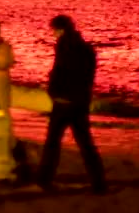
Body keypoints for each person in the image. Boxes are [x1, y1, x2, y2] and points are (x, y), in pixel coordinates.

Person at [37, 15, 106, 194]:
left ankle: (45, 179)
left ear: (60, 29)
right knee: (85, 143)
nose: (53, 34)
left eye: (54, 30)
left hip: (64, 101)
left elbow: (60, 72)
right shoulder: (87, 49)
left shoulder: (64, 46)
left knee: (52, 142)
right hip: (80, 101)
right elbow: (88, 78)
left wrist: (53, 92)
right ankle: (99, 181)